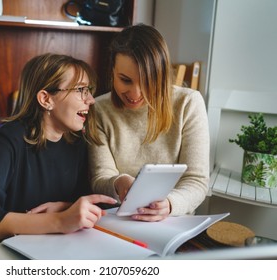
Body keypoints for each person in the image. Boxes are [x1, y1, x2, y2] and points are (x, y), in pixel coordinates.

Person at [0, 53, 117, 259]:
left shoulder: (77, 142)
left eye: (89, 90)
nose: (91, 100)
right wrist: (60, 221)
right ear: (45, 99)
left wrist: (67, 209)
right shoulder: (9, 139)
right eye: (80, 90)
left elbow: (87, 202)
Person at [88, 24, 209, 222]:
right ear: (112, 71)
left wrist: (169, 204)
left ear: (161, 76)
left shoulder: (188, 103)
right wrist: (118, 182)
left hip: (174, 221)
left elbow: (197, 181)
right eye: (125, 80)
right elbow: (100, 177)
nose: (135, 94)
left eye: (147, 81)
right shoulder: (99, 109)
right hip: (118, 222)